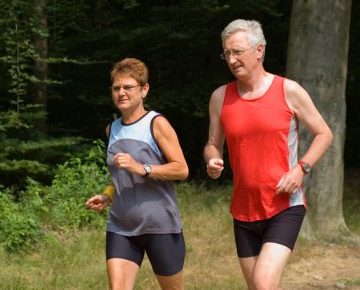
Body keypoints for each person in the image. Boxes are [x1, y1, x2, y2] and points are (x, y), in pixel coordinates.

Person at [204, 19, 333, 290]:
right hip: (243, 210)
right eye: (226, 53)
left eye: (237, 51)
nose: (231, 59)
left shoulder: (289, 90)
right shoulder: (220, 97)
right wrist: (212, 158)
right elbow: (212, 143)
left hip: (284, 206)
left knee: (263, 283)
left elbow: (324, 134)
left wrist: (301, 169)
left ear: (259, 50)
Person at [86, 58, 189, 290]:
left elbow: (181, 169)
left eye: (128, 87)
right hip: (121, 226)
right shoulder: (111, 129)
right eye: (116, 88)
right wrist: (108, 195)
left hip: (159, 225)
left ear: (144, 90)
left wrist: (143, 168)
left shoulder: (156, 123)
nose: (121, 93)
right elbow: (119, 177)